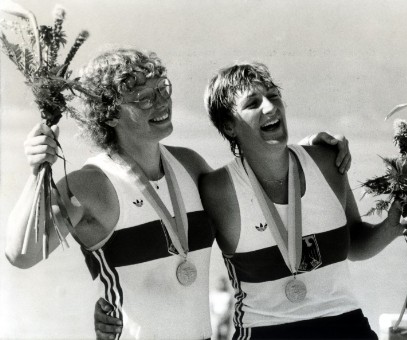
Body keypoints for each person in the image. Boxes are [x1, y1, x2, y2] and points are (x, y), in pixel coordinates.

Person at [5, 48, 351, 340]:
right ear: (108, 115)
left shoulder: (190, 165)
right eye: (143, 98)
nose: (162, 103)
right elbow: (22, 254)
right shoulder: (89, 185)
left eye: (162, 89)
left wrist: (308, 151)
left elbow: (258, 187)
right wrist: (38, 173)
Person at [196, 62, 407, 339]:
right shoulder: (218, 190)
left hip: (345, 327)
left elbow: (354, 244)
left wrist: (392, 226)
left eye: (273, 96)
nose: (271, 108)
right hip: (266, 331)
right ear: (228, 126)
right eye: (253, 103)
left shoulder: (326, 162)